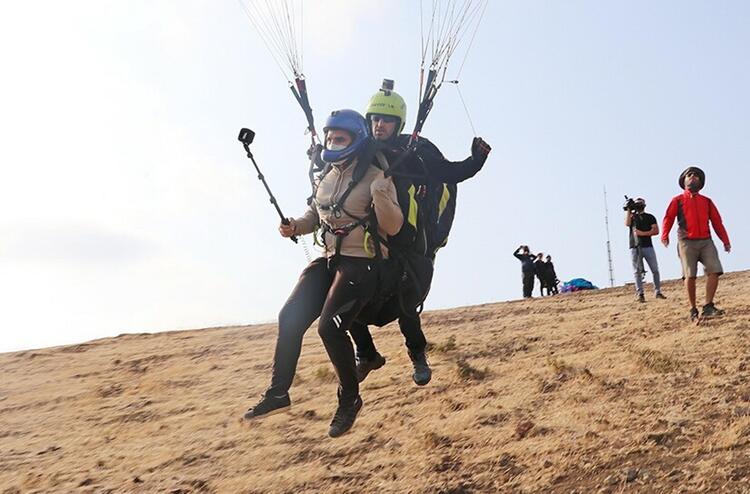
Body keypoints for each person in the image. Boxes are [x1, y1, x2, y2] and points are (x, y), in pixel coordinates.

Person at [244, 109, 404, 438]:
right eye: (330, 138)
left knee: (329, 328)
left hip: (363, 263)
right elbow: (315, 215)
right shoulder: (326, 176)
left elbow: (393, 226)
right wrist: (294, 226)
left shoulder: (377, 176)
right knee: (289, 317)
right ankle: (278, 393)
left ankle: (350, 398)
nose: (333, 143)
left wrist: (380, 195)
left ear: (356, 140)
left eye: (340, 139)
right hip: (330, 259)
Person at [348, 80, 492, 386]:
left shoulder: (415, 152)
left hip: (404, 237)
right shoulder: (358, 150)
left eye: (386, 120)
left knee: (406, 303)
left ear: (398, 123)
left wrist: (475, 161)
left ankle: (417, 355)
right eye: (375, 119)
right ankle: (366, 353)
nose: (379, 125)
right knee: (340, 293)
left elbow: (450, 173)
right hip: (365, 238)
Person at [662, 166, 731, 322]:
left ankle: (708, 306)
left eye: (696, 175)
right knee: (689, 275)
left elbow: (717, 222)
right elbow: (668, 218)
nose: (693, 176)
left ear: (701, 182)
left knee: (715, 270)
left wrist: (725, 240)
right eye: (689, 175)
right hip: (686, 242)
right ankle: (693, 308)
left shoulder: (707, 201)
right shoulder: (677, 200)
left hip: (706, 241)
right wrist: (665, 235)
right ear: (684, 181)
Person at [624, 197, 665, 303]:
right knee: (637, 271)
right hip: (634, 246)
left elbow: (656, 231)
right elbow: (627, 223)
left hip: (647, 246)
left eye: (640, 204)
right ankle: (640, 294)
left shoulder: (650, 217)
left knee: (655, 270)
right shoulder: (632, 217)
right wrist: (628, 209)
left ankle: (657, 291)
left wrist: (643, 233)